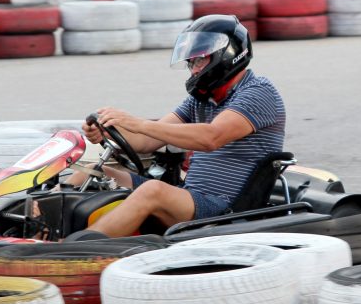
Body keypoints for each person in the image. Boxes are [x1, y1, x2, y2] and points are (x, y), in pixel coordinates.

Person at [70, 14, 286, 238]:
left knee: (153, 190)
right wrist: (108, 131)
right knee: (91, 172)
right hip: (189, 197)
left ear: (226, 55)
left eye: (199, 61)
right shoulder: (201, 100)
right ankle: (42, 229)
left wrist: (138, 123)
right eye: (191, 62)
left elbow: (211, 138)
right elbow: (146, 141)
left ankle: (74, 251)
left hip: (223, 209)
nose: (193, 70)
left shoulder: (259, 93)